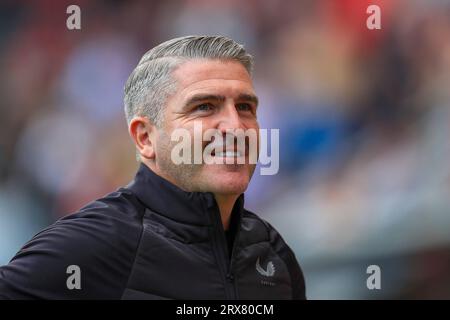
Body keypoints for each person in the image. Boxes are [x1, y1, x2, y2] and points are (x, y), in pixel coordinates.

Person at [0, 35, 306, 299]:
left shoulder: (273, 252)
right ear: (145, 138)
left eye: (245, 107)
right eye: (204, 107)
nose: (235, 126)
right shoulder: (91, 245)